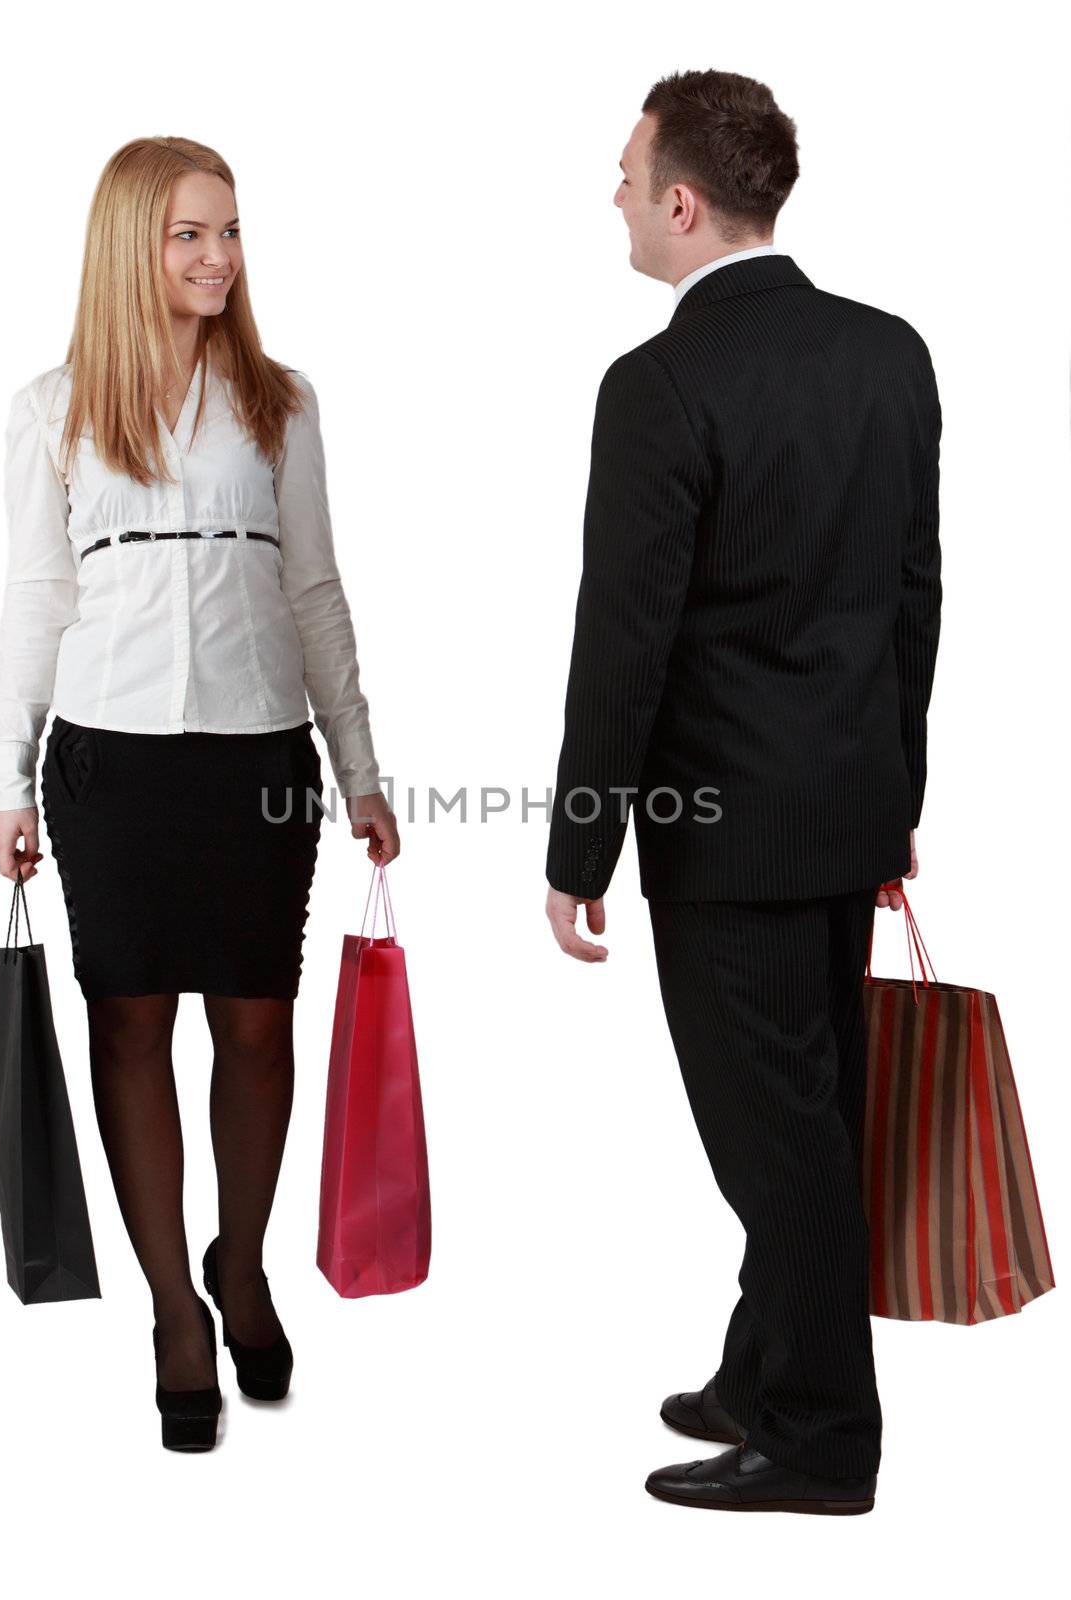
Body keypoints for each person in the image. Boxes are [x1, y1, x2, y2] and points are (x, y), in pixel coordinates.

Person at [545, 69, 942, 1514]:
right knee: (810, 1114)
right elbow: (914, 601)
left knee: (779, 1143)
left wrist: (578, 849)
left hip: (723, 840)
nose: (616, 196)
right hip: (840, 811)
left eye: (628, 172)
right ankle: (762, 1364)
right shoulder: (889, 354)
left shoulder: (660, 386)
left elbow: (625, 638)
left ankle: (823, 1441)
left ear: (684, 201)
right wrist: (894, 803)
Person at [0, 136, 399, 1452]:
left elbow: (316, 590)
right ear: (129, 246)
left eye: (229, 231)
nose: (219, 256)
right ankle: (173, 1306)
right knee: (129, 1034)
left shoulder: (283, 400)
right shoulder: (51, 407)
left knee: (260, 1029)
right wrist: (6, 775)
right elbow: (36, 597)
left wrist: (362, 769)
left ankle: (245, 1262)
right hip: (109, 767)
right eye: (189, 235)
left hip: (258, 759)